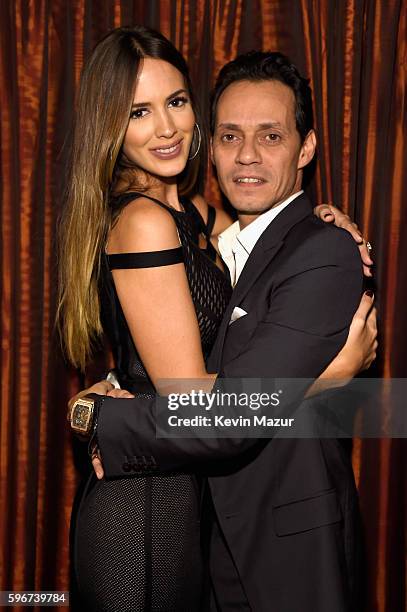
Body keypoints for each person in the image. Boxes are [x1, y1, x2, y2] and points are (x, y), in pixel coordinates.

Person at [61, 27, 376, 612]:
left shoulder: (196, 214)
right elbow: (201, 408)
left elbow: (270, 250)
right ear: (111, 125)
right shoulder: (146, 222)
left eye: (176, 102)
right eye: (139, 111)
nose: (167, 127)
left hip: (191, 502)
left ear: (305, 148)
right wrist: (322, 385)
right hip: (143, 507)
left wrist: (332, 221)